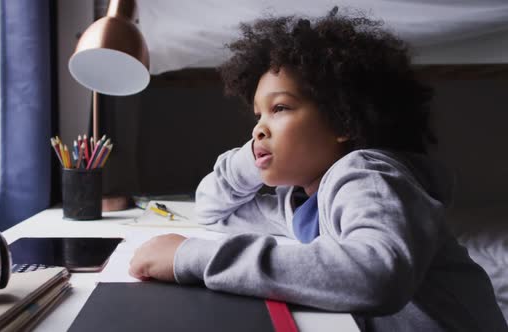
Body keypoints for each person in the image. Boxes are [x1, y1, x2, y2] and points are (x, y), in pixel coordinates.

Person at [129, 8, 507, 331]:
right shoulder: (298, 205)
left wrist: (190, 258)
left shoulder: (368, 176)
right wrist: (253, 154)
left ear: (343, 120)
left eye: (280, 108)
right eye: (257, 113)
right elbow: (212, 209)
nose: (258, 126)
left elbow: (375, 274)